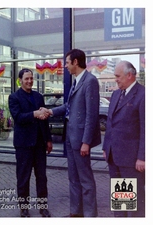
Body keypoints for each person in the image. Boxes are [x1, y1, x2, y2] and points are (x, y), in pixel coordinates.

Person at [42, 49, 101, 217]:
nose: (66, 66)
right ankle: (75, 213)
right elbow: (69, 107)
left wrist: (86, 142)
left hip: (80, 140)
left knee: (85, 180)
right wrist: (50, 111)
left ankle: (89, 215)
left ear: (76, 62)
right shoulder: (76, 81)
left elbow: (91, 114)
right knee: (73, 178)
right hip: (71, 138)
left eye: (67, 62)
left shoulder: (90, 81)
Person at [102, 60, 145, 217]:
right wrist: (106, 148)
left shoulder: (143, 95)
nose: (116, 79)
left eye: (118, 76)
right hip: (115, 158)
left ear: (129, 76)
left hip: (132, 161)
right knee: (120, 202)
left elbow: (146, 129)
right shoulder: (116, 94)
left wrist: (142, 157)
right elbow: (110, 123)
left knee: (134, 206)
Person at [8, 68, 52, 217]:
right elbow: (18, 117)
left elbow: (44, 121)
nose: (29, 81)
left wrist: (49, 140)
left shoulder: (39, 96)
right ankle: (24, 208)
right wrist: (35, 114)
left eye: (31, 78)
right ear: (20, 80)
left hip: (39, 144)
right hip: (23, 145)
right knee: (23, 177)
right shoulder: (14, 97)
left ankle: (43, 207)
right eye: (26, 79)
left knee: (42, 177)